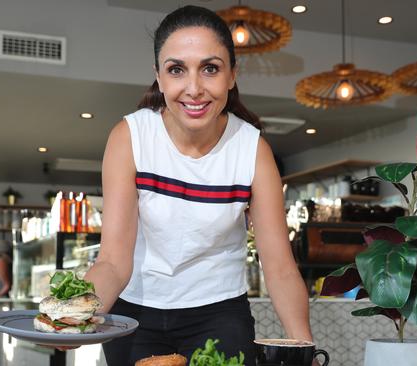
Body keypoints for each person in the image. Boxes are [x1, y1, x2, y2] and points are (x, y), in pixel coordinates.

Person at [83, 5, 314, 365]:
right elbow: (113, 261)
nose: (194, 89)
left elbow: (280, 267)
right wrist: (71, 320)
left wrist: (305, 352)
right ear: (159, 77)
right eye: (177, 70)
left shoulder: (252, 149)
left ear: (232, 75)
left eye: (210, 68)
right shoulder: (131, 136)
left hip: (219, 314)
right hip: (135, 314)